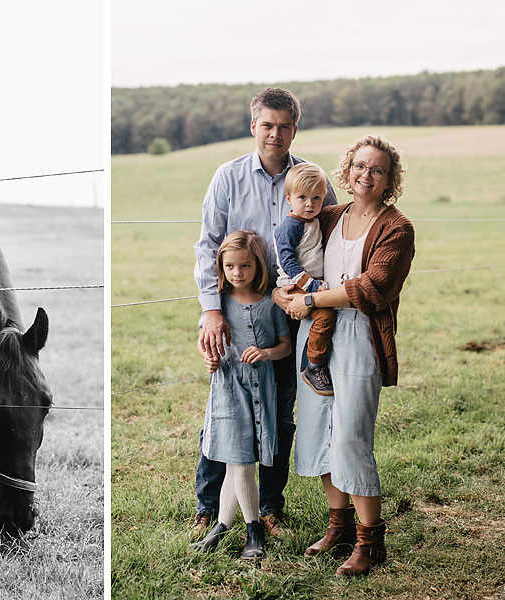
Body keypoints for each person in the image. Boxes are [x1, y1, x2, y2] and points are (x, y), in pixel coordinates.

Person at [192, 87, 338, 538]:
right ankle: (208, 504)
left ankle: (270, 507)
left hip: (296, 312)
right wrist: (212, 310)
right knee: (225, 404)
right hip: (237, 307)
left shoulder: (312, 180)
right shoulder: (229, 176)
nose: (275, 134)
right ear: (253, 126)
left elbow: (330, 241)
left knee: (281, 404)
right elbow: (208, 245)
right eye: (267, 125)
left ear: (296, 129)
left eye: (284, 126)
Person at [281, 134, 414, 577]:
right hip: (315, 336)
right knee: (319, 431)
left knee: (352, 438)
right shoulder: (330, 215)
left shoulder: (397, 228)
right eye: (359, 166)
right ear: (347, 169)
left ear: (389, 178)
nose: (366, 175)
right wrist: (284, 292)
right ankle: (338, 526)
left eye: (377, 169)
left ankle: (370, 541)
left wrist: (313, 301)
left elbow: (372, 291)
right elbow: (295, 257)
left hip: (360, 337)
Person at [190, 231, 290, 560]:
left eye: (245, 265)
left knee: (240, 463)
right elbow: (206, 345)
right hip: (228, 391)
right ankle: (254, 532)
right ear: (221, 267)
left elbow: (285, 346)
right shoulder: (217, 306)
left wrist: (265, 353)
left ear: (257, 266)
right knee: (241, 462)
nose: (237, 273)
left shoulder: (269, 303)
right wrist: (210, 358)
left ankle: (220, 527)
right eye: (230, 266)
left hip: (261, 391)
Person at [273, 163, 337, 396]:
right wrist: (310, 285)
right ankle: (314, 365)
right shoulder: (289, 227)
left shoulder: (315, 221)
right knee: (325, 314)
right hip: (294, 284)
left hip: (311, 283)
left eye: (316, 198)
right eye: (303, 197)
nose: (310, 204)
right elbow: (288, 262)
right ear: (289, 199)